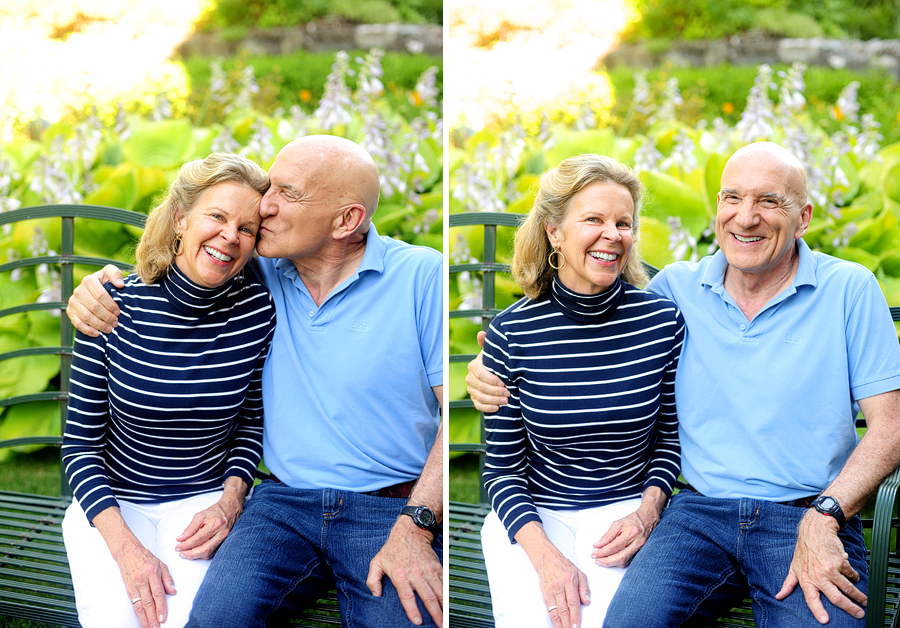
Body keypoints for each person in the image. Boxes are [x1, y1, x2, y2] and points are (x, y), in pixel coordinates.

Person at [467, 141, 900, 627]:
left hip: (805, 515)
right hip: (697, 517)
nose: (746, 217)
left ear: (803, 217)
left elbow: (892, 427)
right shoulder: (677, 291)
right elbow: (597, 334)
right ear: (717, 207)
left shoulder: (849, 289)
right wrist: (487, 370)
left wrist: (826, 517)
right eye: (732, 197)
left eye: (769, 201)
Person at [66, 135, 444, 628]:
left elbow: (456, 413)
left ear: (346, 221)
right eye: (270, 187)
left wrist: (415, 527)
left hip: (386, 509)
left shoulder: (420, 276)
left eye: (286, 192)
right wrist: (93, 288)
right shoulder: (260, 269)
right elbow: (185, 263)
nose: (263, 207)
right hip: (280, 505)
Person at [61, 152, 276, 628]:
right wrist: (127, 552)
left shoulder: (259, 310)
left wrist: (231, 500)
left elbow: (250, 423)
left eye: (246, 228)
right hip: (112, 507)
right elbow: (79, 448)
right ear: (181, 219)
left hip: (200, 506)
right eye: (216, 216)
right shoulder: (112, 305)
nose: (229, 236)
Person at [475, 154, 685, 628]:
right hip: (531, 520)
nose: (613, 234)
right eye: (593, 219)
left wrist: (647, 513)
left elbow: (670, 440)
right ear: (554, 231)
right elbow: (501, 470)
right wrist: (546, 559)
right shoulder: (513, 331)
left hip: (625, 516)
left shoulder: (661, 322)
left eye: (623, 223)